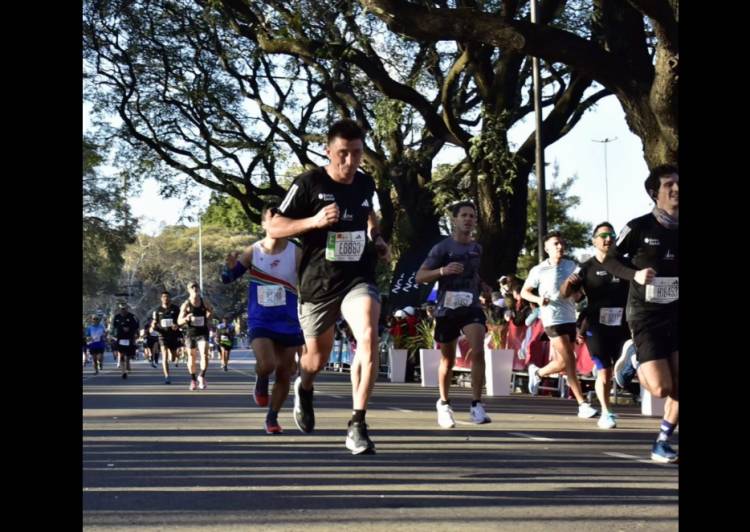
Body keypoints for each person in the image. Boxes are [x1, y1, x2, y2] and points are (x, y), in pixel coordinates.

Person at [268, 118, 391, 454]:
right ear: (328, 151)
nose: (350, 162)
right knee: (315, 360)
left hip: (358, 277)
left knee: (368, 334)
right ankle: (304, 387)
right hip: (318, 282)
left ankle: (357, 424)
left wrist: (377, 239)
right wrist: (314, 221)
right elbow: (274, 225)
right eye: (342, 154)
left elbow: (369, 214)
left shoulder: (365, 183)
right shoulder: (309, 183)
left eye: (356, 153)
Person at [599, 165, 679, 463]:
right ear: (654, 192)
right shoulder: (639, 227)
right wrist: (635, 274)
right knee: (661, 387)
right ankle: (632, 357)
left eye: (678, 184)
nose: (676, 189)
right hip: (645, 315)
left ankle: (662, 441)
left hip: (676, 313)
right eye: (669, 184)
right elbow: (609, 261)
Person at [222, 202, 304, 434]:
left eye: (281, 217)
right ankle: (260, 381)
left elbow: (311, 281)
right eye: (272, 216)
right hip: (261, 320)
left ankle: (272, 417)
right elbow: (228, 278)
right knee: (268, 364)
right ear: (264, 223)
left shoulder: (296, 252)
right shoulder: (253, 251)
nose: (277, 220)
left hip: (287, 320)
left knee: (284, 373)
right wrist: (228, 269)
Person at [415, 201, 494, 428]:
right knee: (447, 360)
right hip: (446, 308)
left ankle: (476, 405)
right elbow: (420, 277)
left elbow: (474, 275)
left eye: (472, 216)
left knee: (478, 350)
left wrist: (484, 287)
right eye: (464, 216)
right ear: (455, 220)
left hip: (471, 307)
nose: (469, 219)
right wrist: (442, 271)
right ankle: (444, 403)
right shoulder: (442, 248)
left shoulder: (477, 248)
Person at [521, 232, 598, 419]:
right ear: (547, 248)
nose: (559, 247)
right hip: (551, 319)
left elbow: (578, 292)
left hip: (570, 317)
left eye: (562, 243)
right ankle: (582, 404)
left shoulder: (572, 266)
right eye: (555, 244)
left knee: (563, 362)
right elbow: (525, 292)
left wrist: (578, 295)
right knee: (570, 361)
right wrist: (539, 299)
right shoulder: (538, 270)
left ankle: (538, 372)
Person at [561, 222, 631, 429]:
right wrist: (569, 282)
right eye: (603, 235)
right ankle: (607, 412)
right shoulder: (586, 267)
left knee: (628, 364)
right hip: (596, 326)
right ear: (594, 240)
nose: (607, 238)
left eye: (611, 234)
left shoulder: (625, 263)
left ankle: (628, 368)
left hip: (623, 324)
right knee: (604, 371)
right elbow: (567, 295)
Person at [178, 282, 214, 390]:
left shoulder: (204, 301)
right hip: (191, 333)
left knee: (204, 354)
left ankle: (201, 376)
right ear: (189, 290)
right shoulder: (186, 304)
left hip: (202, 332)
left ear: (199, 289)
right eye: (192, 287)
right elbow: (179, 321)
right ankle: (193, 380)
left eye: (196, 287)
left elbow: (211, 310)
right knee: (192, 356)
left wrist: (208, 319)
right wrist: (186, 319)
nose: (195, 289)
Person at [152, 291, 181, 384]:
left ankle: (173, 354)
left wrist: (177, 325)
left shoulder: (176, 309)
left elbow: (181, 321)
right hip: (162, 335)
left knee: (172, 357)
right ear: (161, 298)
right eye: (164, 297)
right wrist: (153, 326)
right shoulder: (157, 310)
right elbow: (155, 322)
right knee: (164, 355)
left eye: (167, 297)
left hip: (173, 335)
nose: (165, 298)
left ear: (170, 298)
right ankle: (167, 376)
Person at [111, 304, 139, 379]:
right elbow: (114, 327)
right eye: (121, 309)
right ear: (119, 309)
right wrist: (112, 335)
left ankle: (128, 364)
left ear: (127, 309)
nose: (123, 310)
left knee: (128, 355)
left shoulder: (132, 316)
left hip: (129, 338)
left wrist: (129, 328)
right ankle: (123, 372)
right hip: (120, 338)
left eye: (124, 309)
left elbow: (136, 326)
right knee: (121, 355)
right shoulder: (117, 317)